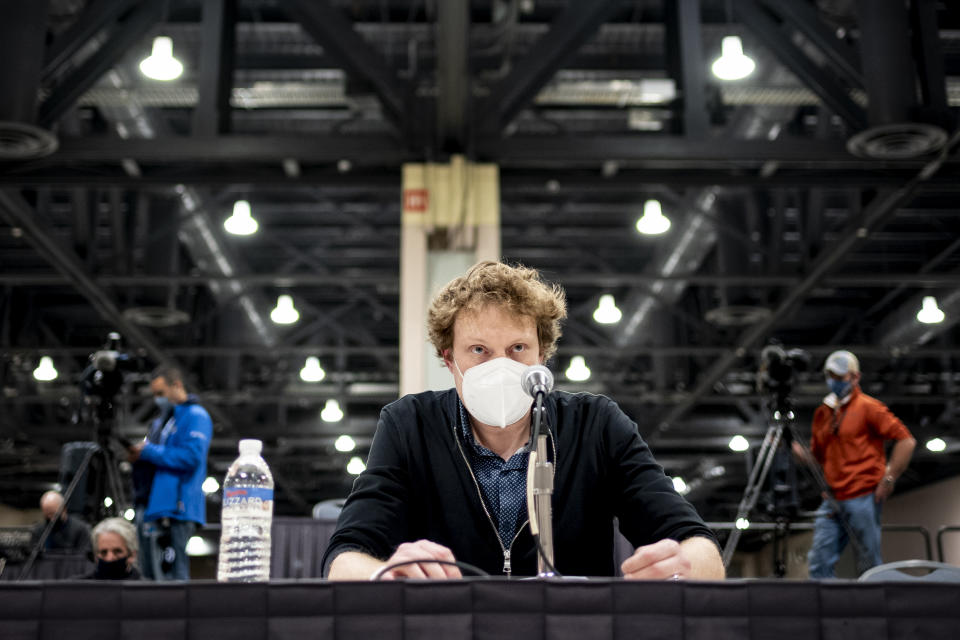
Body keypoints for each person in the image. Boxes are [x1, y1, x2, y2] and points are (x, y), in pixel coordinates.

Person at [323, 261, 725, 580]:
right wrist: (384, 573)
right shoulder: (408, 425)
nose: (500, 366)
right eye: (479, 349)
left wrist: (683, 564)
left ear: (542, 355)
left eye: (517, 348)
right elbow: (344, 559)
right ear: (449, 359)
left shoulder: (597, 425)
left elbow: (700, 547)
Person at [792, 350, 916, 578]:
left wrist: (889, 478)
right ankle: (825, 611)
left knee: (869, 563)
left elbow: (906, 440)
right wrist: (791, 447)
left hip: (863, 495)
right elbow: (816, 458)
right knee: (818, 562)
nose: (834, 381)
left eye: (840, 376)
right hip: (832, 498)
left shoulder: (869, 407)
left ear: (855, 377)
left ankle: (873, 610)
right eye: (830, 375)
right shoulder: (823, 413)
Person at [128, 366, 212, 580]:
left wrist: (149, 451)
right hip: (156, 506)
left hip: (179, 507)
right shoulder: (163, 421)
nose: (157, 400)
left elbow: (191, 457)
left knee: (174, 577)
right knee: (151, 575)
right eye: (154, 395)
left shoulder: (196, 416)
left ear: (177, 386)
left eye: (161, 393)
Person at [29, 490, 92, 556]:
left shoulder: (81, 529)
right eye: (47, 515)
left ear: (64, 509)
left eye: (54, 514)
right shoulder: (38, 531)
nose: (51, 519)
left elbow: (84, 558)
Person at [78, 517, 142, 580]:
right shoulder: (78, 588)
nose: (109, 558)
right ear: (95, 556)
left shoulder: (146, 589)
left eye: (117, 551)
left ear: (132, 555)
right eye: (104, 552)